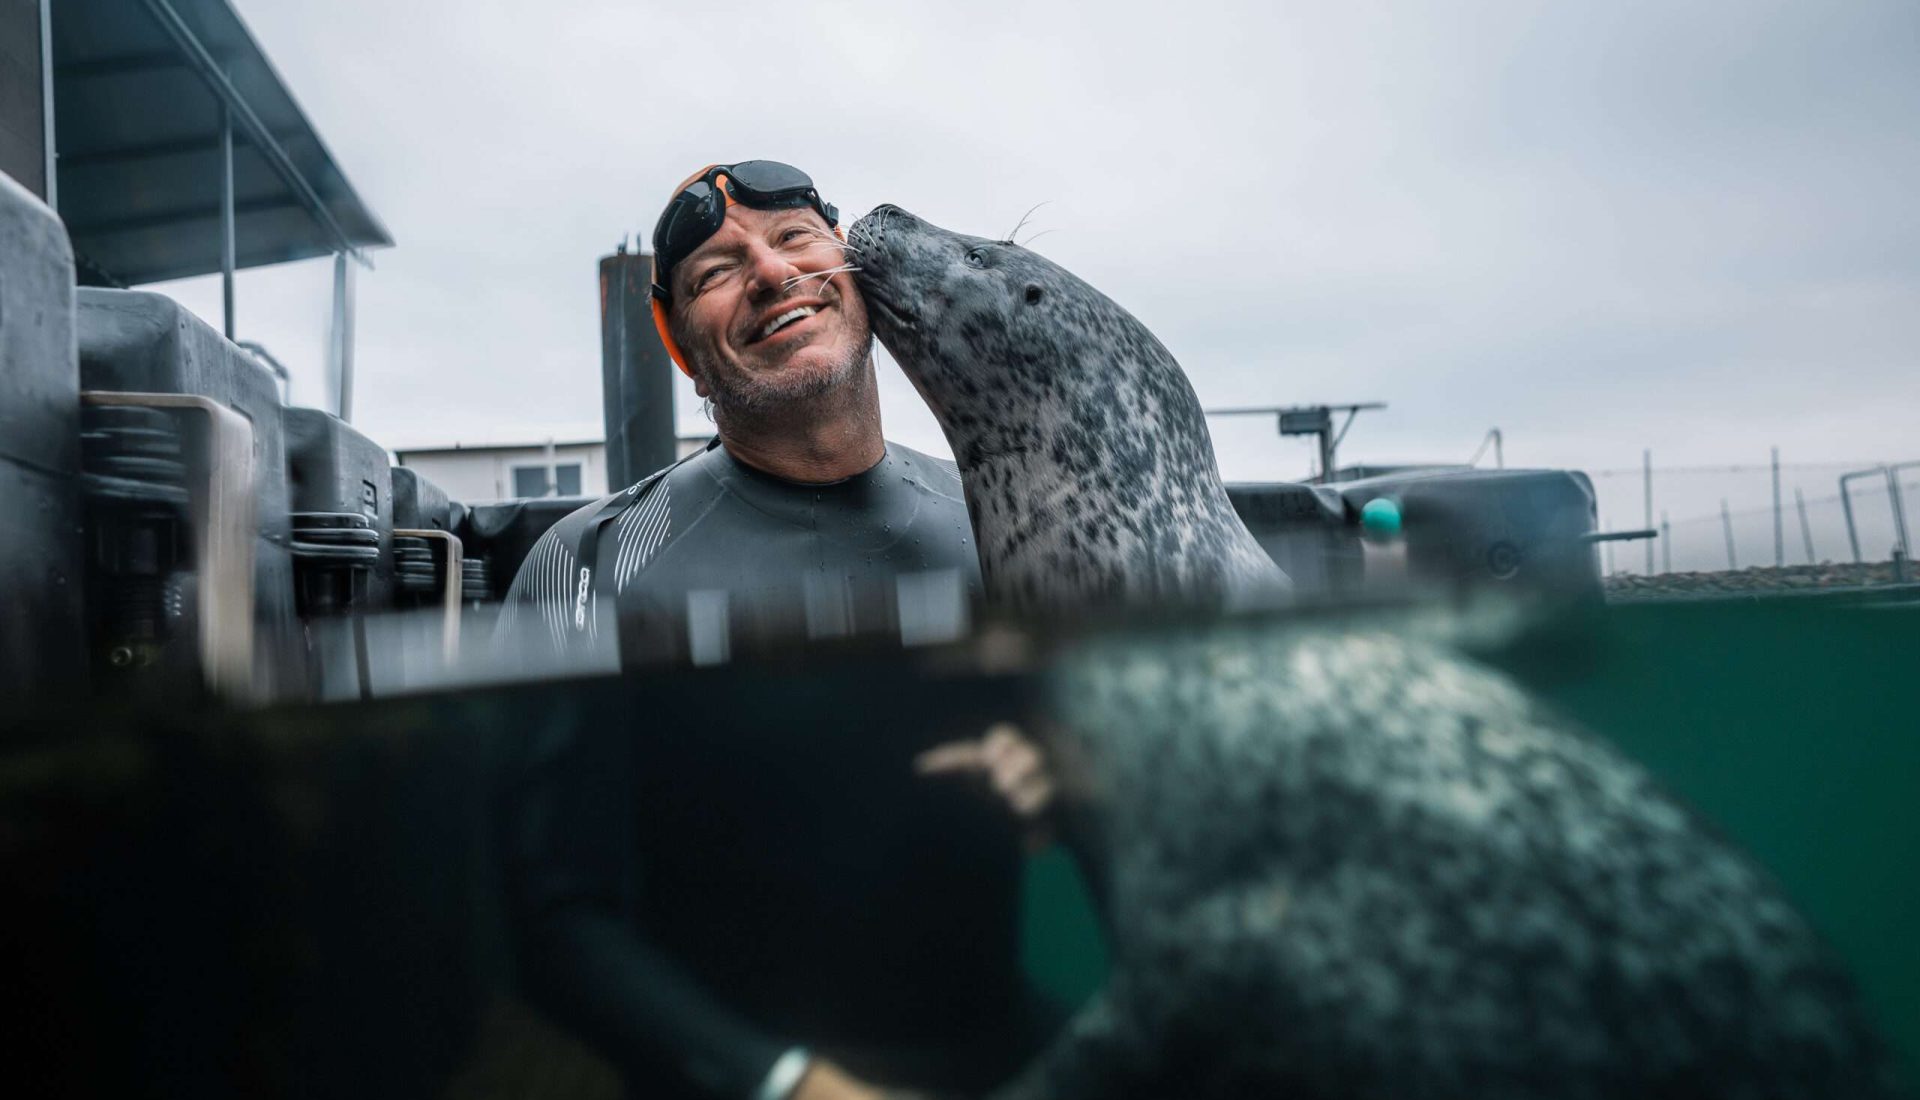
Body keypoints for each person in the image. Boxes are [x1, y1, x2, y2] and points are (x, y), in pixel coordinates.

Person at [499, 161, 1059, 1100]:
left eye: (795, 236)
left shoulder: (1010, 517)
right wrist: (782, 1082)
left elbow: (1113, 777)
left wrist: (1066, 774)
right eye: (716, 271)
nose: (768, 271)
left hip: (1008, 1057)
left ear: (857, 270)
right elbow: (544, 908)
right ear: (680, 345)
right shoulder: (587, 565)